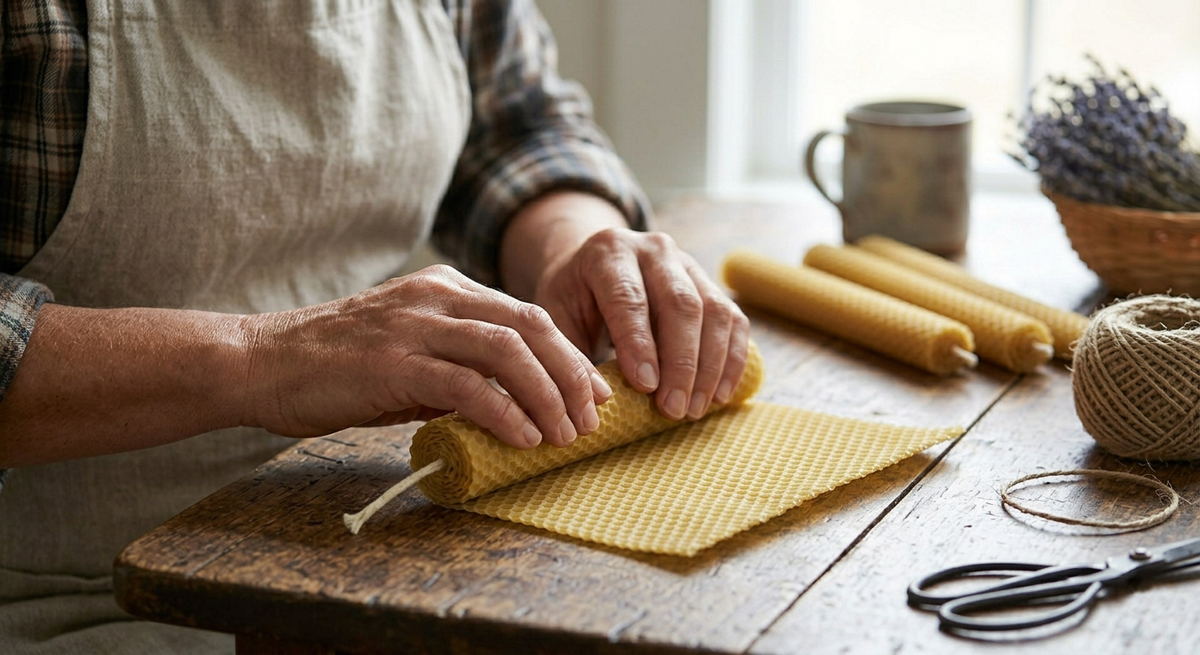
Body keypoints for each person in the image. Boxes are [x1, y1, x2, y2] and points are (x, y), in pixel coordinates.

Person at [0, 0, 749, 652]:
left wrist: (575, 242)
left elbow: (517, 126)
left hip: (385, 555)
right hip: (63, 592)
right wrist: (265, 357)